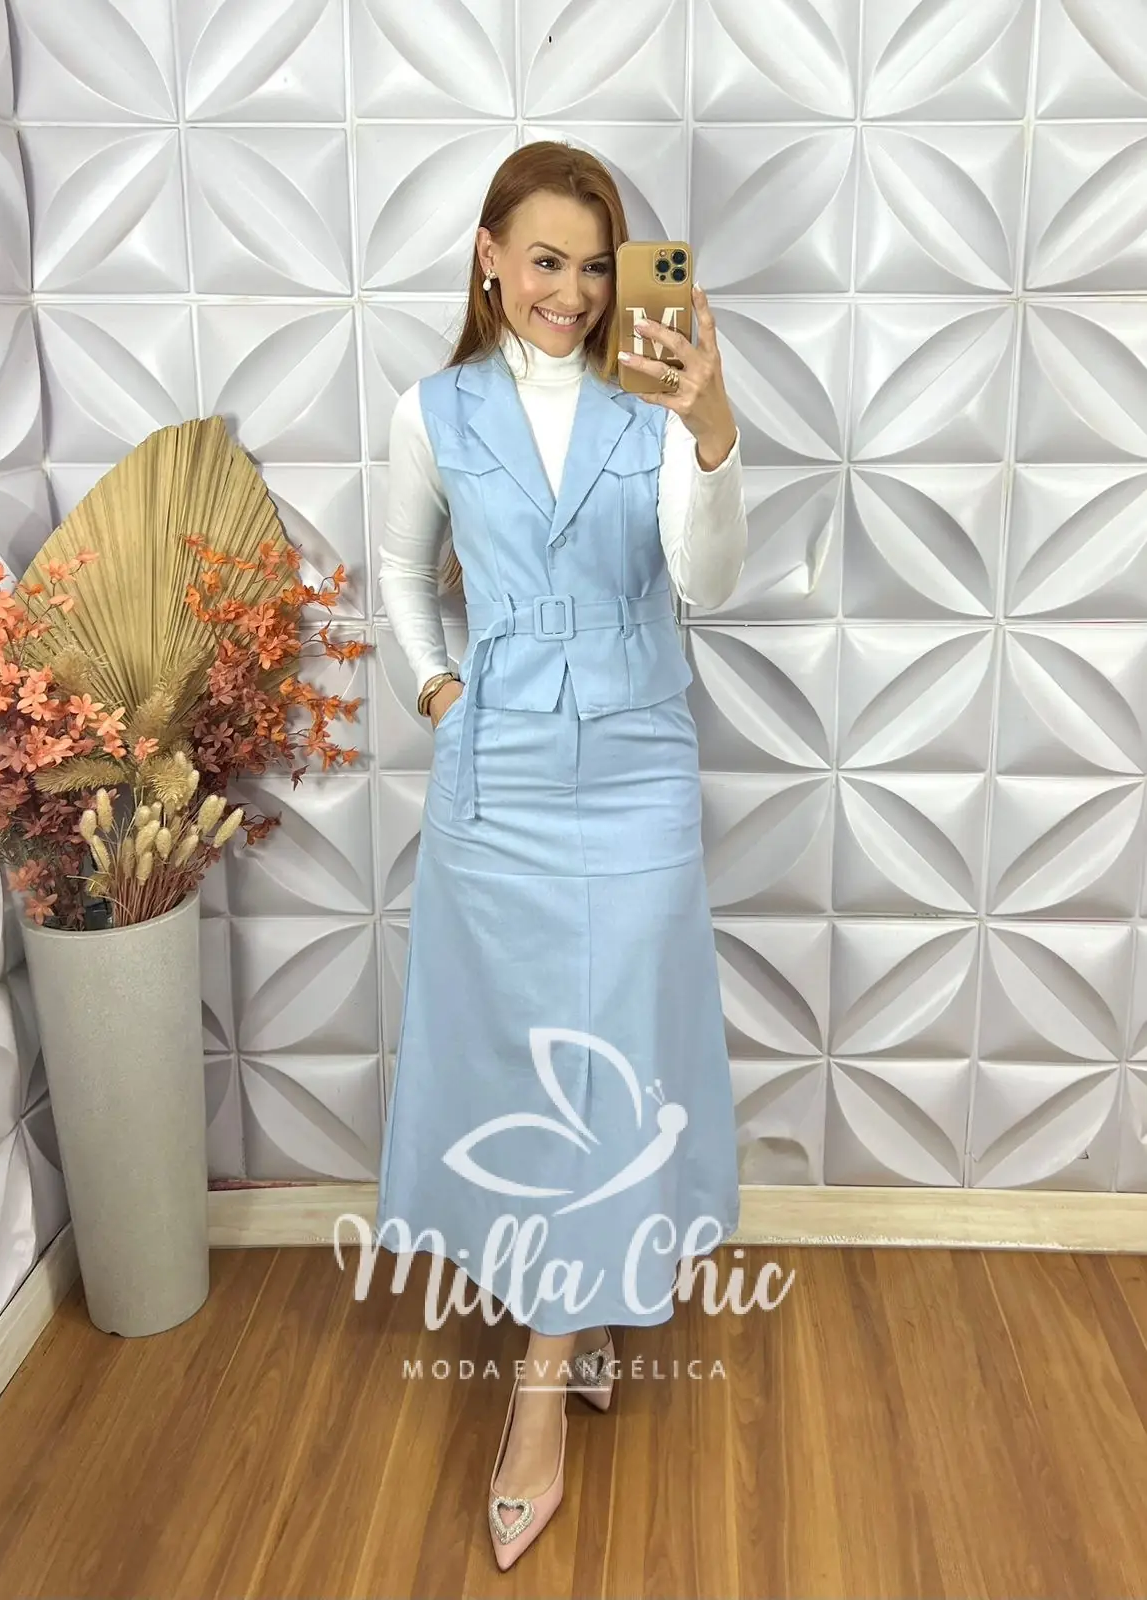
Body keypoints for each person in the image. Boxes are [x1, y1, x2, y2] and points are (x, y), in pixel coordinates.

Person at [375, 140, 748, 1569]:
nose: (576, 294)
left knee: (613, 1055)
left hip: (638, 772)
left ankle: (538, 1393)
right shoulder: (432, 411)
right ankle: (572, 1313)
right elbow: (401, 570)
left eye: (598, 267)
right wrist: (438, 692)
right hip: (498, 783)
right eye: (546, 261)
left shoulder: (651, 400)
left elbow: (705, 580)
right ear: (489, 257)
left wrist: (711, 426)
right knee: (520, 1058)